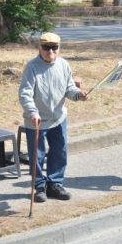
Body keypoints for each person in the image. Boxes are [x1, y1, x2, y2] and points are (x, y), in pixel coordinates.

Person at [19, 32, 87, 202]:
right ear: (40, 48)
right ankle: (39, 187)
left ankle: (55, 184)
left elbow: (69, 89)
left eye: (54, 48)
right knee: (37, 156)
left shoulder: (64, 65)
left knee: (60, 151)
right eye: (46, 48)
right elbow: (25, 94)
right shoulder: (32, 67)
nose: (50, 51)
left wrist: (78, 94)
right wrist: (32, 112)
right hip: (37, 120)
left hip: (58, 118)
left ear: (59, 48)